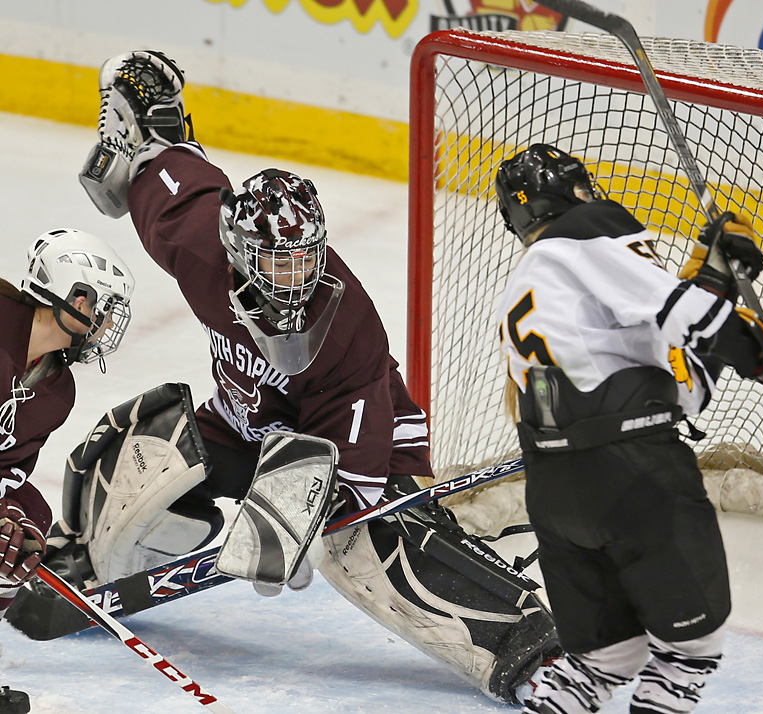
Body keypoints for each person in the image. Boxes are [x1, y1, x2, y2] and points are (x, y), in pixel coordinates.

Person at [45, 50, 559, 704]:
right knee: (136, 448)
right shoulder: (197, 246)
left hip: (350, 445)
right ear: (233, 253)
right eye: (272, 264)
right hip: (242, 427)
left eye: (302, 260)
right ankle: (85, 558)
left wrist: (291, 521)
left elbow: (352, 467)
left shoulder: (348, 325)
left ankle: (523, 642)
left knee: (369, 553)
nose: (293, 282)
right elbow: (166, 166)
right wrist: (143, 120)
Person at [494, 144, 763, 713]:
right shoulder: (587, 228)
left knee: (602, 662)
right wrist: (753, 342)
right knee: (689, 651)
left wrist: (715, 279)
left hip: (556, 491)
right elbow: (672, 308)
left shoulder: (530, 288)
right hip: (634, 475)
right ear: (573, 194)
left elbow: (679, 387)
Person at [0, 228, 134, 714]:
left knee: (21, 531)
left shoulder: (56, 391)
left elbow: (10, 471)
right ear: (75, 296)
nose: (106, 323)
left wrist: (12, 521)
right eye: (104, 307)